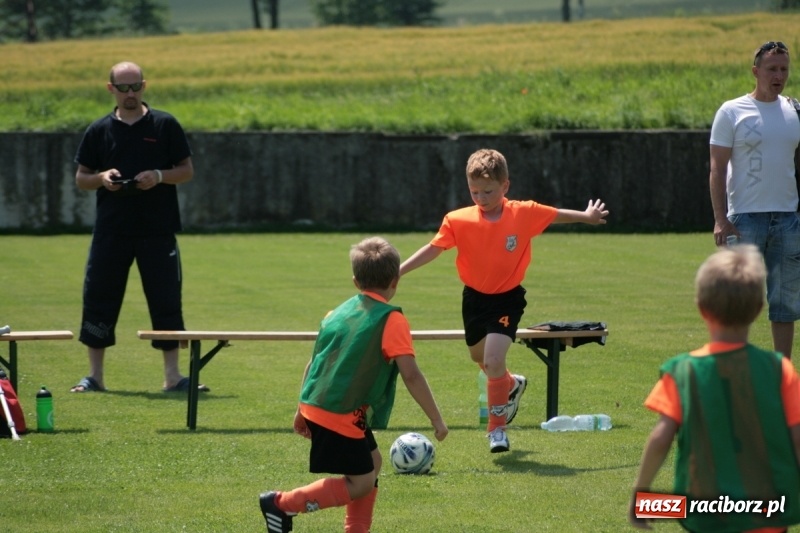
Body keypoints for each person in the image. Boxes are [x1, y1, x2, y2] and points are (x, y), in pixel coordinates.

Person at [399, 148, 608, 453]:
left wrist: (587, 217)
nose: (481, 198)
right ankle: (510, 384)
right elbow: (434, 247)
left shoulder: (523, 213)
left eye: (488, 191)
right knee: (480, 359)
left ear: (505, 186)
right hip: (473, 299)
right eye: (474, 191)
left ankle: (497, 430)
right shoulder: (458, 220)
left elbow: (555, 214)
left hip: (508, 299)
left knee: (493, 360)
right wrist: (400, 271)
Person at [259, 236, 448, 533]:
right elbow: (411, 374)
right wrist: (436, 419)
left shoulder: (336, 314)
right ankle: (281, 504)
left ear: (355, 280)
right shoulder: (391, 320)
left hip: (323, 404)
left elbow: (314, 364)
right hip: (338, 412)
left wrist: (301, 409)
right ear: (395, 280)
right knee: (359, 483)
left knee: (372, 463)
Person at [628, 245, 800, 532]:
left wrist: (641, 493)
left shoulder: (682, 371)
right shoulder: (779, 370)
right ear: (758, 310)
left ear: (701, 308)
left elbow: (661, 438)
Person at [70, 61, 205, 393]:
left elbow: (186, 171)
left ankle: (173, 377)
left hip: (157, 230)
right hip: (111, 231)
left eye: (135, 87)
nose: (130, 94)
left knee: (165, 298)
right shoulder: (98, 130)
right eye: (123, 87)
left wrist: (158, 176)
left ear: (144, 86)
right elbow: (81, 179)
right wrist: (102, 178)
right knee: (99, 297)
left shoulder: (165, 124)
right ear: (110, 89)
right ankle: (95, 376)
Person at [709, 40, 800, 359]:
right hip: (744, 222)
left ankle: (783, 374)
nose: (779, 75)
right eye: (772, 69)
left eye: (784, 69)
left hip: (788, 219)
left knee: (785, 304)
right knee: (738, 301)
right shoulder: (731, 111)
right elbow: (717, 168)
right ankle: (733, 368)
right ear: (756, 71)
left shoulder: (794, 110)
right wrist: (721, 218)